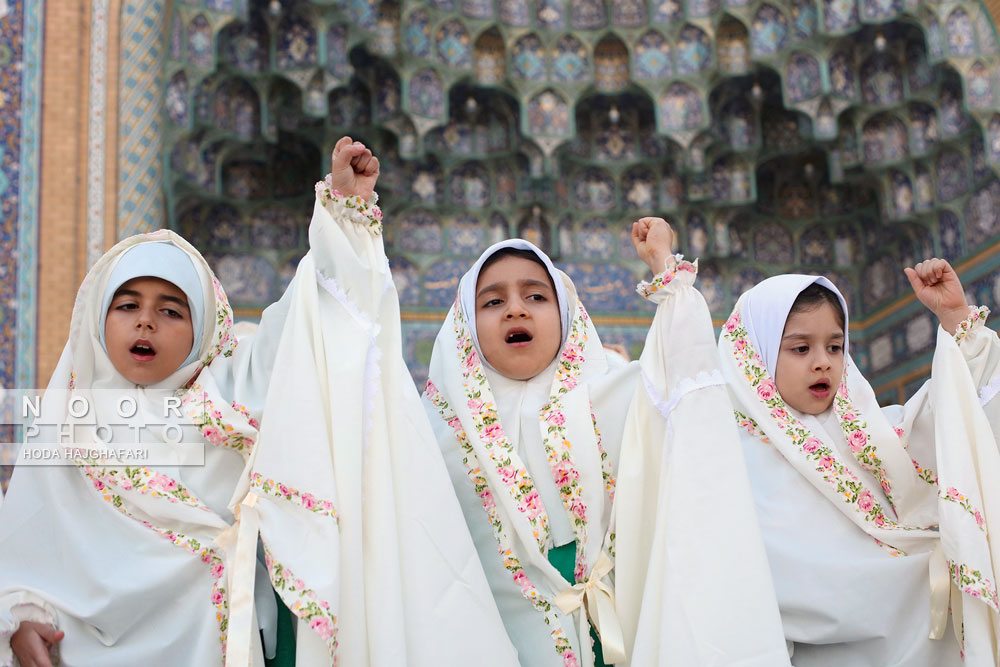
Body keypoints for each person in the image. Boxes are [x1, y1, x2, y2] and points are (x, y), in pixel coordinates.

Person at [0, 137, 514, 666]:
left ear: (203, 330)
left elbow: (307, 325)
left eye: (172, 311)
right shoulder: (68, 420)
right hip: (82, 650)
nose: (146, 321)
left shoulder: (225, 392)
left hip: (214, 640)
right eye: (127, 305)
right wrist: (19, 613)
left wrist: (343, 215)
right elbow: (28, 542)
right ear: (96, 319)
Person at [422, 218, 789, 666]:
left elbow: (688, 396)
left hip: (617, 639)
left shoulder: (617, 395)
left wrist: (668, 278)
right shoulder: (436, 430)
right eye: (493, 301)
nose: (515, 309)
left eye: (536, 296)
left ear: (566, 312)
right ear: (464, 324)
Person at [718, 260, 1000, 666]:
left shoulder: (877, 433)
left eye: (835, 346)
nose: (823, 362)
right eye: (801, 348)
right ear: (754, 354)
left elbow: (958, 417)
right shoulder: (736, 462)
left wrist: (955, 316)